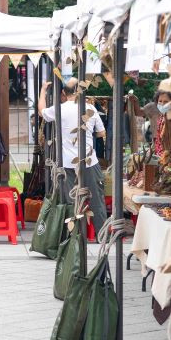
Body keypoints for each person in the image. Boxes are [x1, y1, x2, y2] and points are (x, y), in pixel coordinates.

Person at [38, 79, 108, 231]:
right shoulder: (90, 108)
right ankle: (102, 234)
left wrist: (43, 90)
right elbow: (102, 132)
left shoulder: (59, 109)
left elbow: (41, 111)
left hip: (68, 162)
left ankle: (73, 235)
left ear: (64, 92)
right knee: (96, 199)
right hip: (89, 161)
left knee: (71, 201)